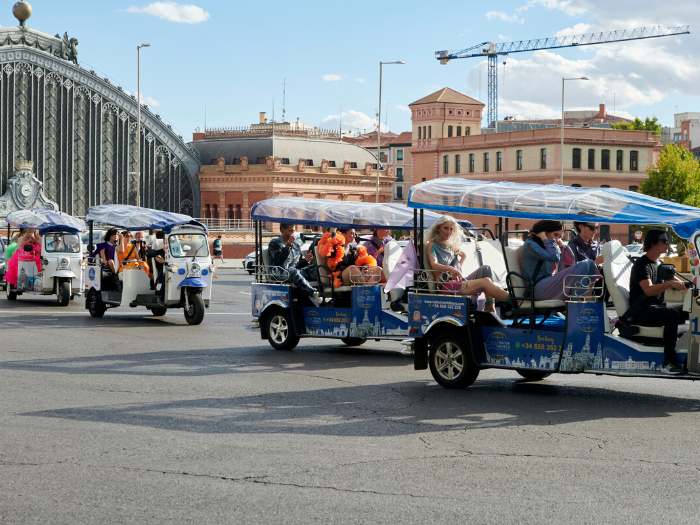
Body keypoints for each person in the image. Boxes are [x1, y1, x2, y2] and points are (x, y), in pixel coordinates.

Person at [629, 229, 688, 375]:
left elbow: (679, 283)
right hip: (642, 311)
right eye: (664, 241)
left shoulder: (660, 264)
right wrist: (669, 284)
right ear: (653, 243)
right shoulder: (642, 265)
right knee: (672, 315)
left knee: (688, 308)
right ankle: (668, 362)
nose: (668, 244)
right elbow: (648, 290)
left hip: (656, 308)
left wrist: (689, 285)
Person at [424, 215, 510, 313]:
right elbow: (434, 264)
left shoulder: (450, 245)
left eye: (451, 229)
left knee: (486, 269)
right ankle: (514, 300)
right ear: (438, 228)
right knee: (486, 281)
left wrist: (463, 257)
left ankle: (490, 306)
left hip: (458, 281)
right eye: (445, 228)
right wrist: (451, 269)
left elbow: (457, 268)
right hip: (446, 285)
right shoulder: (432, 244)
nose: (449, 232)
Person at [522, 220, 600, 301]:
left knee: (589, 263)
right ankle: (577, 303)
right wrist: (545, 239)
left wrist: (561, 245)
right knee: (586, 264)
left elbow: (570, 262)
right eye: (555, 235)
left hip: (548, 284)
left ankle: (581, 301)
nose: (556, 239)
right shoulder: (530, 244)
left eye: (559, 237)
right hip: (537, 288)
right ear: (544, 232)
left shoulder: (547, 245)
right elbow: (554, 257)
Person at [268, 223, 318, 299]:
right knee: (292, 270)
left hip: (294, 272)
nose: (293, 233)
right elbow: (278, 260)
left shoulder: (296, 246)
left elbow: (297, 264)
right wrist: (289, 244)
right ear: (282, 230)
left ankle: (325, 291)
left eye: (294, 231)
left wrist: (305, 260)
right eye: (290, 231)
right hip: (280, 273)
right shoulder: (275, 243)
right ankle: (313, 293)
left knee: (316, 268)